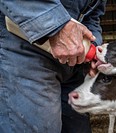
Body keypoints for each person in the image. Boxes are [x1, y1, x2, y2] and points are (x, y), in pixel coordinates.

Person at [0, 1, 107, 133]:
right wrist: (56, 24)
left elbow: (93, 15)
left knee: (78, 127)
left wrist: (94, 44)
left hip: (74, 61)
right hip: (28, 44)